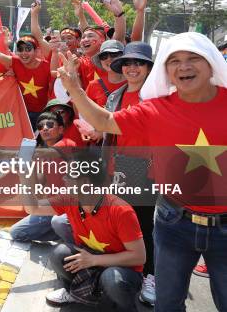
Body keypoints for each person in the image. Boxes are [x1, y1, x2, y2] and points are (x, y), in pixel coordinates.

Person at [56, 32, 227, 311]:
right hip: (174, 222)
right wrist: (74, 88)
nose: (184, 66)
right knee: (167, 303)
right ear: (166, 71)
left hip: (222, 225)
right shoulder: (154, 108)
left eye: (193, 58)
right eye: (175, 61)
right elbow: (104, 120)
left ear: (211, 63)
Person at [24, 150, 146, 311]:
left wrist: (94, 260)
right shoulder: (70, 198)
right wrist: (25, 173)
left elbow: (139, 257)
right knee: (59, 254)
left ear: (85, 182)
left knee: (112, 279)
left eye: (69, 176)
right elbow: (32, 208)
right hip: (90, 259)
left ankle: (125, 307)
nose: (64, 179)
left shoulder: (121, 210)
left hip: (121, 268)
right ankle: (74, 293)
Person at [103, 41, 156, 305]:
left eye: (138, 62)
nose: (132, 68)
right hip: (115, 165)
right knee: (119, 222)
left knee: (144, 224)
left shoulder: (158, 95)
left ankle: (151, 276)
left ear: (148, 67)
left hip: (145, 168)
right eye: (127, 62)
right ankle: (121, 271)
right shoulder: (115, 96)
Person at [9, 111, 74, 244]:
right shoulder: (40, 156)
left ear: (61, 129)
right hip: (52, 207)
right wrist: (24, 172)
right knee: (17, 232)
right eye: (40, 126)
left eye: (50, 124)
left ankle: (74, 240)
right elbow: (37, 190)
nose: (44, 128)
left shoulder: (68, 144)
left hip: (71, 207)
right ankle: (62, 234)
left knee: (58, 221)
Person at [0, 34, 52, 128]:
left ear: (37, 51)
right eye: (20, 50)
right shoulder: (15, 62)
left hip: (42, 114)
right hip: (21, 113)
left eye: (28, 49)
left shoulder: (47, 67)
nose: (24, 53)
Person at [86, 40, 126, 107]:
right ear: (100, 61)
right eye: (103, 56)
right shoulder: (93, 85)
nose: (109, 59)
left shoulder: (134, 82)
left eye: (114, 54)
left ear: (123, 57)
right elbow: (83, 112)